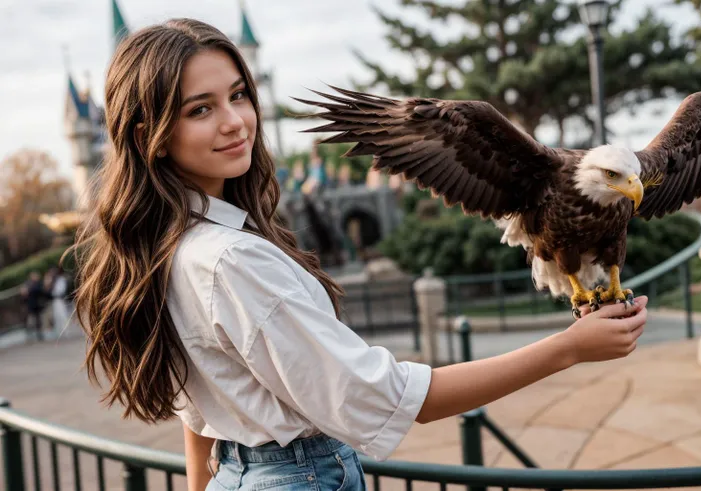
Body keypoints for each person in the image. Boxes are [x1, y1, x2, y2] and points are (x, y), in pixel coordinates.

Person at [68, 18, 649, 491]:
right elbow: (386, 398)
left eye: (238, 95)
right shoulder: (230, 261)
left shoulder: (167, 244)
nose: (235, 122)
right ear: (151, 133)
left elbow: (197, 414)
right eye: (201, 109)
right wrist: (570, 348)